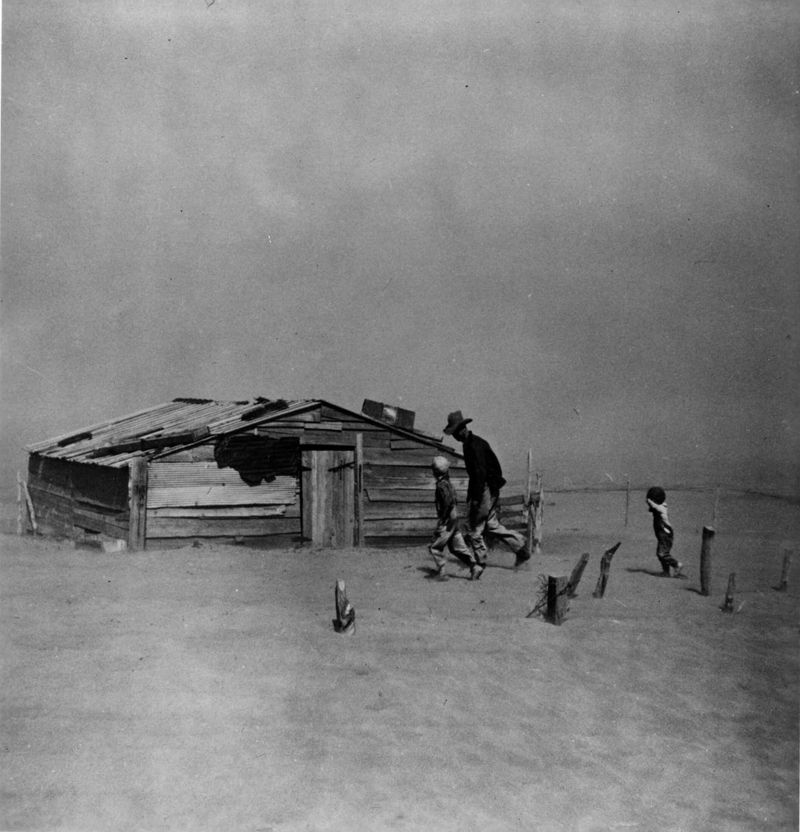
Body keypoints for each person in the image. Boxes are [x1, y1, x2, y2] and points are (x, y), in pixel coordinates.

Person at [443, 411, 529, 579]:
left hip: (485, 489)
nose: (454, 437)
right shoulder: (471, 443)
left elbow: (479, 475)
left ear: (461, 429)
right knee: (492, 525)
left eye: (454, 433)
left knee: (475, 528)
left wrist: (475, 499)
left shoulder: (474, 446)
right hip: (488, 487)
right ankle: (521, 547)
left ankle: (480, 563)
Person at [427, 455, 475, 581]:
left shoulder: (441, 486)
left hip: (448, 519)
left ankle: (442, 572)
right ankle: (474, 566)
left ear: (435, 471)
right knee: (456, 547)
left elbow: (448, 503)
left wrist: (444, 520)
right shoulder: (449, 484)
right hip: (454, 519)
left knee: (435, 546)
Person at [646, 486, 683, 577]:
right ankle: (666, 572)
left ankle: (677, 565)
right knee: (661, 554)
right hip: (662, 535)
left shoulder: (662, 508)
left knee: (662, 554)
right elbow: (652, 507)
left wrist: (649, 500)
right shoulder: (658, 506)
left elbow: (655, 506)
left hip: (665, 535)